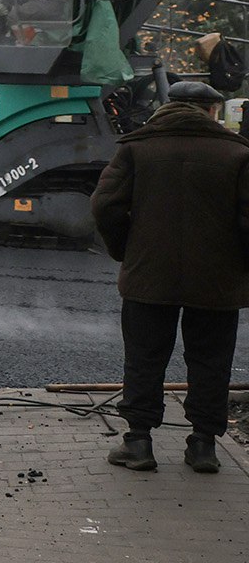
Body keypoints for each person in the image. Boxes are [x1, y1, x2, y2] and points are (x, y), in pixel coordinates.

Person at [89, 80, 249, 474]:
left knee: (144, 358)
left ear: (168, 105)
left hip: (148, 275)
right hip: (216, 280)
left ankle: (138, 442)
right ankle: (204, 446)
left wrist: (125, 250)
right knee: (211, 361)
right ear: (211, 112)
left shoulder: (136, 148)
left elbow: (105, 205)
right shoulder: (237, 154)